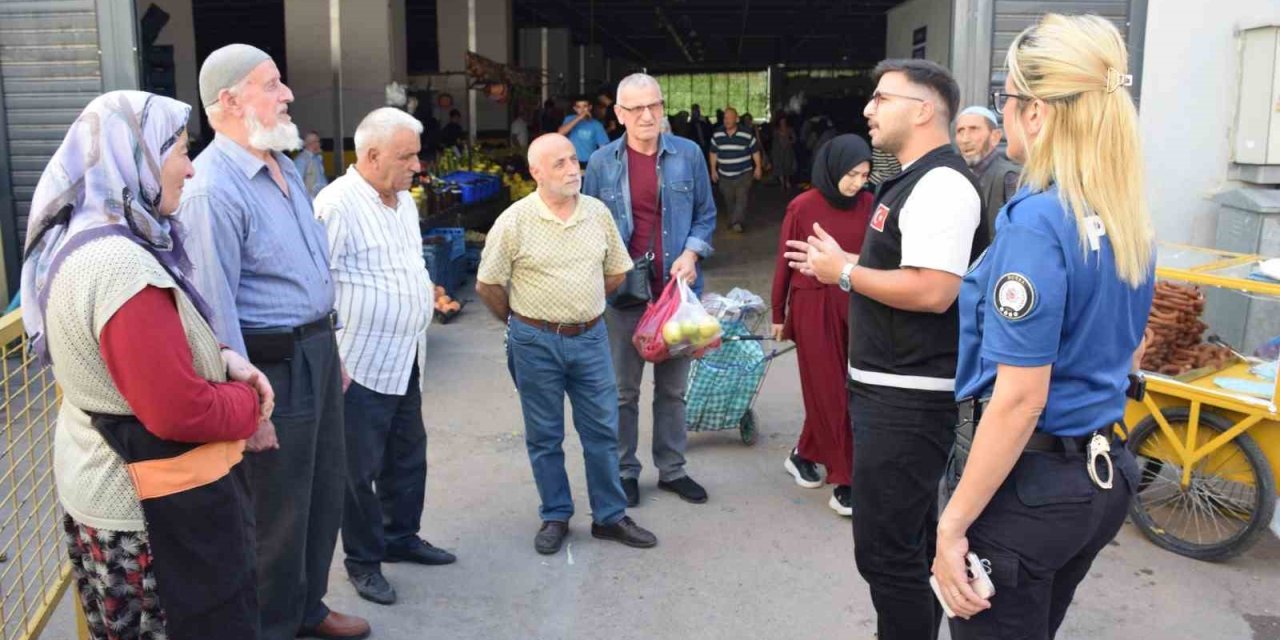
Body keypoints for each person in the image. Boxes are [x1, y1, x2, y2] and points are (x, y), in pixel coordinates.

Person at [932, 15, 1153, 638]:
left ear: (1038, 113)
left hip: (1028, 487)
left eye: (1004, 98)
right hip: (1099, 472)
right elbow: (1134, 346)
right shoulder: (1124, 210)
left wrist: (952, 525)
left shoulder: (1037, 221)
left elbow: (1020, 398)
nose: (1000, 115)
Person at [22, 90, 271, 639]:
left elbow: (134, 361)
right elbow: (177, 410)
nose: (189, 167)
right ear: (132, 158)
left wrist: (219, 358)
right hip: (147, 516)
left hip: (106, 485)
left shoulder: (84, 239)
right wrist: (250, 403)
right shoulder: (121, 268)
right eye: (179, 150)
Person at [784, 58, 985, 640]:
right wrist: (841, 266)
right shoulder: (906, 177)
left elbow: (933, 290)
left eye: (881, 98)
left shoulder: (942, 184)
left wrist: (844, 274)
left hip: (910, 397)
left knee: (886, 553)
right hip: (891, 392)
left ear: (923, 110)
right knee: (907, 543)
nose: (868, 110)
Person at [178, 44, 369, 640]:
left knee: (321, 492)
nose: (287, 95)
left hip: (313, 351)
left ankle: (307, 607)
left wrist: (330, 345)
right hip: (268, 369)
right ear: (230, 102)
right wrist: (249, 409)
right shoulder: (213, 188)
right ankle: (272, 625)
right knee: (276, 513)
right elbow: (213, 309)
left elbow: (309, 275)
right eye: (272, 84)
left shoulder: (282, 166)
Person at [475, 133, 658, 556]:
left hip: (591, 337)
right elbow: (487, 285)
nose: (572, 169)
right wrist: (521, 321)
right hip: (534, 341)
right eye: (559, 163)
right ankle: (556, 514)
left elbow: (615, 272)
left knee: (601, 429)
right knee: (544, 435)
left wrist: (585, 303)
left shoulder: (597, 214)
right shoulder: (515, 221)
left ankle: (609, 516)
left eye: (574, 160)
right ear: (535, 172)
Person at [314, 108, 457, 608]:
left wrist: (425, 294)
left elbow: (408, 264)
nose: (417, 165)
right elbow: (317, 287)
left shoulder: (404, 204)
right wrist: (333, 360)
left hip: (406, 358)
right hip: (360, 364)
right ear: (371, 156)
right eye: (407, 156)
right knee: (358, 470)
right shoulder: (335, 205)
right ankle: (363, 561)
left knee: (406, 457)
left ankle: (401, 537)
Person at [583, 73, 718, 508]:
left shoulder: (689, 154)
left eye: (654, 106)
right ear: (619, 115)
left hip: (675, 295)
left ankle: (672, 469)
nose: (647, 115)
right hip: (623, 296)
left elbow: (705, 214)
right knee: (623, 391)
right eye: (636, 109)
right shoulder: (603, 162)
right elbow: (589, 225)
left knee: (673, 390)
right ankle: (625, 470)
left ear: (663, 107)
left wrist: (693, 254)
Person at [770, 135, 874, 517]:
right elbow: (785, 261)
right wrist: (778, 312)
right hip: (813, 307)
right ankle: (845, 478)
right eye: (851, 174)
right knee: (830, 391)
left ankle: (805, 453)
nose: (857, 183)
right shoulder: (802, 206)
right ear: (832, 168)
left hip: (858, 305)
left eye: (864, 175)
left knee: (849, 387)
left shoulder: (871, 205)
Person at [954, 105, 1020, 239]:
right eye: (960, 131)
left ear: (995, 137)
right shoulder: (955, 177)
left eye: (974, 129)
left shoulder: (1009, 176)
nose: (965, 139)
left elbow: (1017, 236)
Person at [710, 107, 763, 233]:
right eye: (725, 118)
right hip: (724, 174)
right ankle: (733, 219)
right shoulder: (717, 134)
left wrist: (758, 167)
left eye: (729, 118)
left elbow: (755, 151)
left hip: (743, 173)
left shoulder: (746, 134)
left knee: (741, 197)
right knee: (729, 199)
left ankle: (737, 222)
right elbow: (713, 153)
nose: (726, 120)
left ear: (736, 119)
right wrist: (713, 170)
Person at [558, 95, 610, 169]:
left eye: (585, 106)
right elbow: (560, 133)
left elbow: (603, 148)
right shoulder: (569, 119)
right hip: (570, 163)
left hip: (589, 164)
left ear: (590, 107)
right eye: (579, 107)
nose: (582, 109)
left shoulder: (596, 125)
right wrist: (579, 117)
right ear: (575, 109)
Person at [294, 130, 329, 199]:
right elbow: (296, 184)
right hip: (311, 201)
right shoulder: (301, 160)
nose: (319, 144)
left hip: (321, 199)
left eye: (318, 141)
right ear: (308, 144)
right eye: (316, 142)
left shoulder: (317, 158)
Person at [770, 112, 797, 192]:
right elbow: (774, 142)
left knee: (787, 166)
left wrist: (790, 141)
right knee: (779, 166)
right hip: (779, 152)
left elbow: (794, 139)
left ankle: (787, 181)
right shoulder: (776, 131)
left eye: (784, 122)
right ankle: (782, 183)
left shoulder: (790, 130)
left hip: (788, 151)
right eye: (782, 122)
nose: (783, 123)